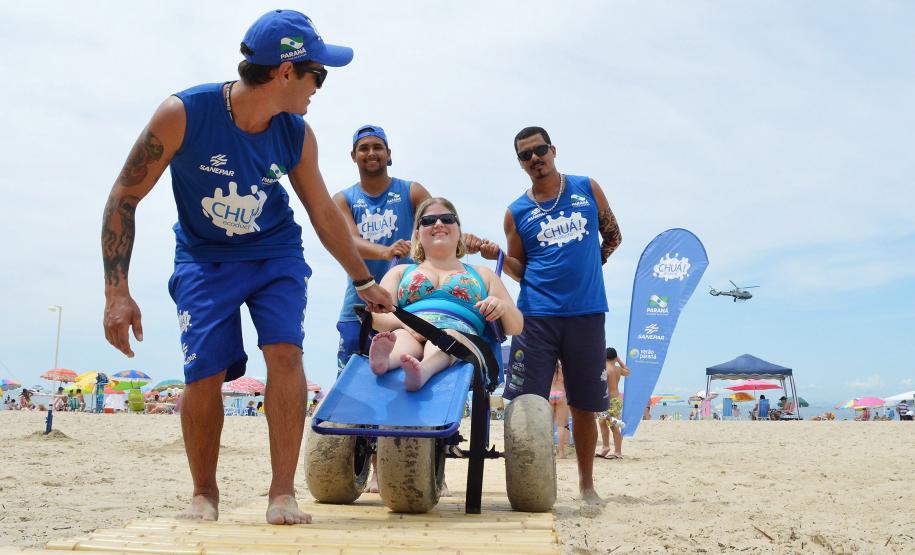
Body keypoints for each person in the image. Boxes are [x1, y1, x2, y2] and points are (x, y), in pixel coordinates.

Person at [100, 10, 394, 525]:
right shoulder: (183, 114)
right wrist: (116, 292)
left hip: (274, 253)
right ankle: (203, 494)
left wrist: (363, 280)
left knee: (284, 352)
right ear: (285, 73)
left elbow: (323, 213)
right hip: (203, 258)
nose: (319, 86)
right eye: (317, 74)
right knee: (204, 372)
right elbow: (124, 197)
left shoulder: (297, 134)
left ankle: (282, 494)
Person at [481, 126, 622, 504]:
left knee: (585, 405)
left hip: (587, 314)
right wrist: (495, 256)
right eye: (525, 155)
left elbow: (613, 236)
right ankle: (531, 486)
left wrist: (591, 268)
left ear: (553, 150)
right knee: (528, 405)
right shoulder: (516, 212)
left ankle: (586, 485)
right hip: (536, 317)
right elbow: (519, 268)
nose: (534, 159)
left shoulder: (586, 188)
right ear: (520, 163)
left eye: (539, 150)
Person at [368, 198, 523, 390]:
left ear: (459, 230)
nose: (439, 224)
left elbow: (516, 326)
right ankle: (385, 361)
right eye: (428, 221)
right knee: (400, 337)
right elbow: (377, 315)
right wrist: (406, 324)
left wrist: (502, 307)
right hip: (409, 329)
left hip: (459, 337)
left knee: (447, 337)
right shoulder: (400, 272)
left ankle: (423, 369)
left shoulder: (483, 274)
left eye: (447, 219)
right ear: (418, 233)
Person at [332, 125, 433, 373]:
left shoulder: (412, 191)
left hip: (409, 304)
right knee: (350, 376)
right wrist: (385, 252)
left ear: (388, 154)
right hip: (360, 302)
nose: (371, 152)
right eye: (363, 148)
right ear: (353, 156)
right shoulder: (344, 199)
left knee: (403, 374)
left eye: (377, 147)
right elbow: (347, 242)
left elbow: (441, 226)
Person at [597, 347, 629, 459]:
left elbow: (599, 384)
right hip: (614, 400)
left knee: (613, 426)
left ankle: (618, 451)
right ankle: (606, 447)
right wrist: (619, 360)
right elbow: (628, 372)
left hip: (609, 400)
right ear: (615, 357)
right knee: (602, 422)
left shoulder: (605, 369)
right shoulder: (617, 369)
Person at [549, 363, 571, 459]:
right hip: (561, 394)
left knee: (548, 425)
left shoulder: (547, 369)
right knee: (560, 426)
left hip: (550, 394)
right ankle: (561, 453)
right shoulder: (563, 370)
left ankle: (549, 451)